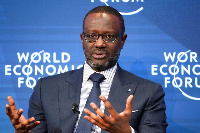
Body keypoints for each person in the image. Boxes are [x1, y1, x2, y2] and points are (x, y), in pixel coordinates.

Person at [6, 6, 168, 133]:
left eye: (109, 36)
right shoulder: (46, 88)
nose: (99, 43)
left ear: (122, 40)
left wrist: (126, 132)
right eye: (92, 36)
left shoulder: (148, 92)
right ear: (82, 39)